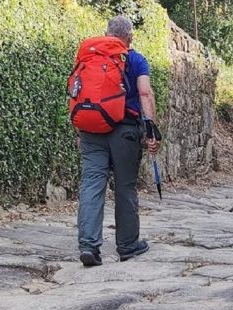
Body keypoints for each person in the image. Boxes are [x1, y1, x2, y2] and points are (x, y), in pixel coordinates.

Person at [76, 16, 160, 267]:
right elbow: (144, 93)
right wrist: (151, 129)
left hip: (91, 129)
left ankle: (89, 246)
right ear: (130, 38)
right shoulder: (135, 59)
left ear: (106, 33)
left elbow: (80, 92)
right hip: (124, 131)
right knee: (125, 187)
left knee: (91, 185)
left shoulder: (88, 56)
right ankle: (127, 246)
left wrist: (80, 130)